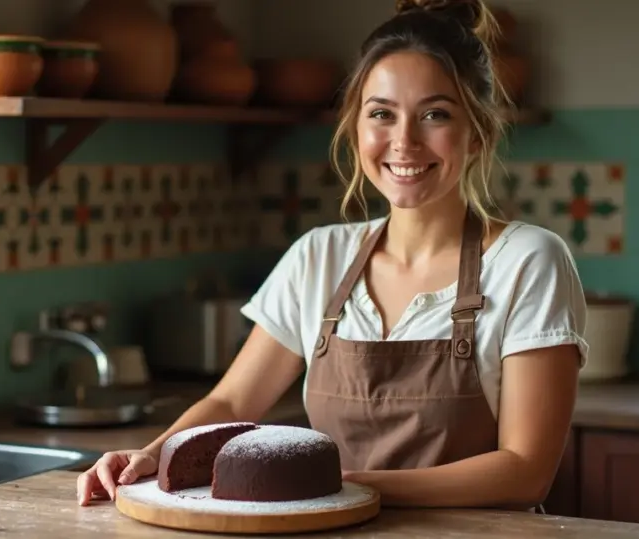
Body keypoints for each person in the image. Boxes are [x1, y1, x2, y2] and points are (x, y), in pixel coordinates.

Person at [76, 0, 587, 511]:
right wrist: (151, 455)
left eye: (435, 114)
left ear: (476, 133)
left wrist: (345, 488)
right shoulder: (319, 256)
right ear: (356, 128)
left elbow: (524, 471)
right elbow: (231, 402)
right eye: (382, 114)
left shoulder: (528, 260)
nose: (404, 142)